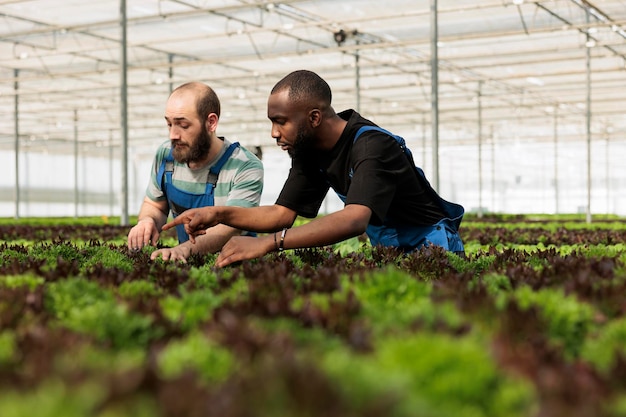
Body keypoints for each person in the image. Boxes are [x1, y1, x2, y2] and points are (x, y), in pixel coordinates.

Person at [162, 70, 464, 267]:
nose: (274, 133)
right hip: (390, 249)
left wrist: (270, 244)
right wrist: (219, 213)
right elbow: (281, 214)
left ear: (315, 118)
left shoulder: (372, 146)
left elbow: (354, 219)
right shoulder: (309, 151)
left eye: (280, 121)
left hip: (435, 249)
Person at [127, 81, 264, 262]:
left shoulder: (244, 166)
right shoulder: (165, 156)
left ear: (211, 122)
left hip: (235, 267)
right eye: (169, 124)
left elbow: (232, 226)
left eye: (183, 125)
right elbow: (155, 205)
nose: (173, 135)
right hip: (187, 263)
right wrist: (147, 221)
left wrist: (184, 249)